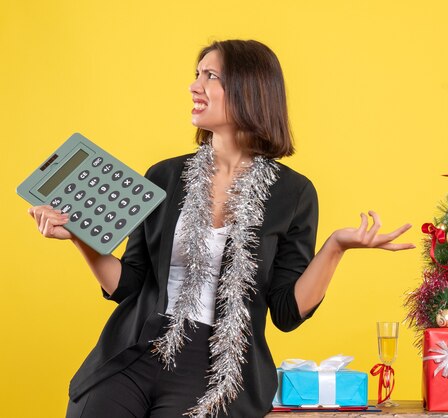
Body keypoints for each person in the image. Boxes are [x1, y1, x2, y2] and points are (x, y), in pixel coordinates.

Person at [28, 40, 414, 418]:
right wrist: (82, 238)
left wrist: (335, 247)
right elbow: (128, 286)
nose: (194, 86)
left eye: (210, 76)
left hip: (217, 368)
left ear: (250, 91)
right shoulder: (164, 176)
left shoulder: (293, 193)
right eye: (196, 75)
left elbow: (286, 311)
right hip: (135, 350)